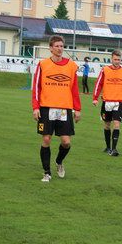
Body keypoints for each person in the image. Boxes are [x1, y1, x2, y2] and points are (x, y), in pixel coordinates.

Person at [31, 35, 81, 182]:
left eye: (61, 46)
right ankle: (47, 173)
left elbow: (74, 89)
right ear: (50, 48)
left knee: (66, 142)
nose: (59, 49)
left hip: (64, 109)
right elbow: (36, 88)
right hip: (46, 107)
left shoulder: (71, 66)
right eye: (56, 46)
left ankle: (59, 162)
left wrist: (77, 109)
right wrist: (35, 107)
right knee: (46, 139)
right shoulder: (43, 65)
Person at [92, 50, 122, 156]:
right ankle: (108, 147)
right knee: (107, 125)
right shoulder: (105, 70)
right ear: (111, 59)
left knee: (116, 124)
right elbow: (98, 84)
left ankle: (114, 149)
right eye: (115, 59)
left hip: (118, 102)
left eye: (119, 59)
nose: (117, 61)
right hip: (106, 102)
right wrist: (95, 98)